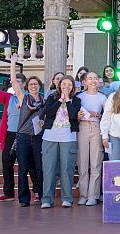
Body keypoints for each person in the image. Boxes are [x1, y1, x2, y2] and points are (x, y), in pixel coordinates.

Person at [0, 72, 39, 203]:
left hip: (25, 135)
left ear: (24, 84)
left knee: (30, 164)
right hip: (10, 134)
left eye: (19, 82)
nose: (16, 84)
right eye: (14, 82)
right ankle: (8, 193)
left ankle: (36, 191)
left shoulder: (30, 97)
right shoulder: (9, 97)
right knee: (7, 163)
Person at [39, 75, 82, 209]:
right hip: (50, 137)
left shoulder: (76, 100)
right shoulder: (52, 98)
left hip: (68, 138)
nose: (66, 87)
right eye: (64, 84)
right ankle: (46, 199)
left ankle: (67, 198)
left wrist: (67, 101)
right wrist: (59, 101)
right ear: (59, 85)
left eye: (69, 85)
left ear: (73, 87)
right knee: (49, 169)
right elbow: (49, 113)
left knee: (67, 169)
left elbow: (74, 115)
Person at [10, 54, 44, 207]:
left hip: (38, 138)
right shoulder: (23, 98)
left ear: (39, 86)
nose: (33, 86)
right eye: (31, 84)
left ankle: (40, 193)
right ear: (27, 86)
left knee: (38, 167)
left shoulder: (44, 101)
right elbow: (13, 81)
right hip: (23, 137)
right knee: (23, 169)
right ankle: (24, 199)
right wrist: (13, 63)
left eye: (36, 84)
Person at [76, 72, 107, 206]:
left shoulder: (103, 97)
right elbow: (73, 116)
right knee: (82, 163)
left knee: (95, 163)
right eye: (90, 78)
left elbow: (107, 116)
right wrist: (78, 115)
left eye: (95, 78)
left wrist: (99, 115)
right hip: (82, 127)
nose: (93, 81)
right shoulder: (79, 97)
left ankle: (93, 195)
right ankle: (83, 195)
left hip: (96, 127)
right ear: (85, 81)